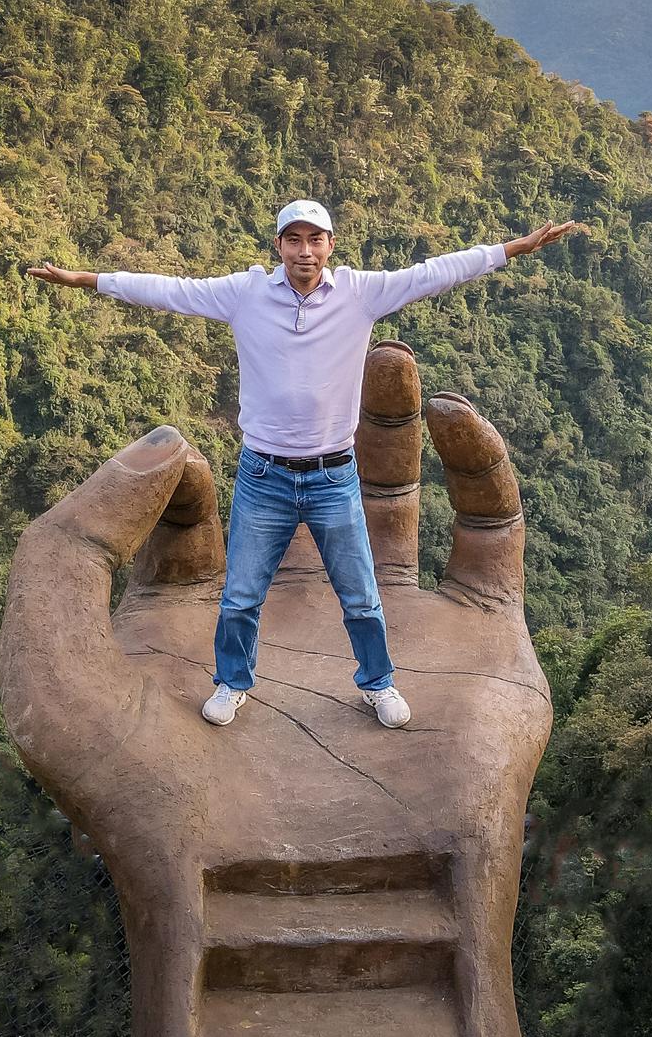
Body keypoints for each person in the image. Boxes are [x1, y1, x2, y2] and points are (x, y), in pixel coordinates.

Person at [29, 201, 579, 728]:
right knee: (241, 595)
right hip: (262, 475)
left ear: (330, 245)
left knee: (361, 594)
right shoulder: (245, 294)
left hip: (333, 476)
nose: (305, 251)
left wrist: (514, 248)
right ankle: (232, 682)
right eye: (294, 240)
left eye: (315, 239)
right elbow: (169, 291)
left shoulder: (359, 294)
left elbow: (435, 273)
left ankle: (378, 682)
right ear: (279, 246)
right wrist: (87, 280)